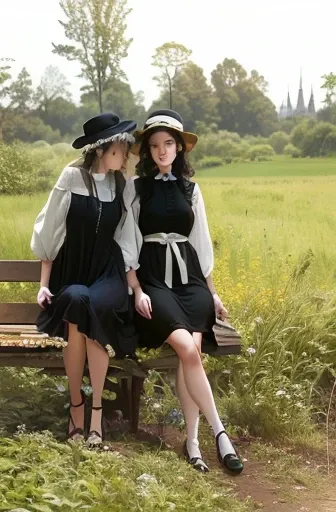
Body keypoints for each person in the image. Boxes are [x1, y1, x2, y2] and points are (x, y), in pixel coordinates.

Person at [119, 109, 244, 474]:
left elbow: (201, 244)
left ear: (178, 149)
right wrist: (137, 289)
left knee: (191, 356)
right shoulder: (135, 188)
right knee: (188, 349)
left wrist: (213, 292)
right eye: (155, 145)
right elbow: (127, 243)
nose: (161, 151)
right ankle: (220, 433)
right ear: (147, 151)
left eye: (168, 144)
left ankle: (192, 444)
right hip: (154, 280)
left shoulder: (191, 188)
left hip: (190, 280)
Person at [31, 113, 138, 446]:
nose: (126, 152)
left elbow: (127, 237)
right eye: (121, 147)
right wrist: (44, 283)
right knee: (77, 300)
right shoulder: (71, 177)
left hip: (107, 274)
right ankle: (76, 405)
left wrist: (133, 284)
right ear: (103, 149)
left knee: (92, 304)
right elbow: (50, 231)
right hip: (73, 271)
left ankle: (96, 412)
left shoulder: (122, 184)